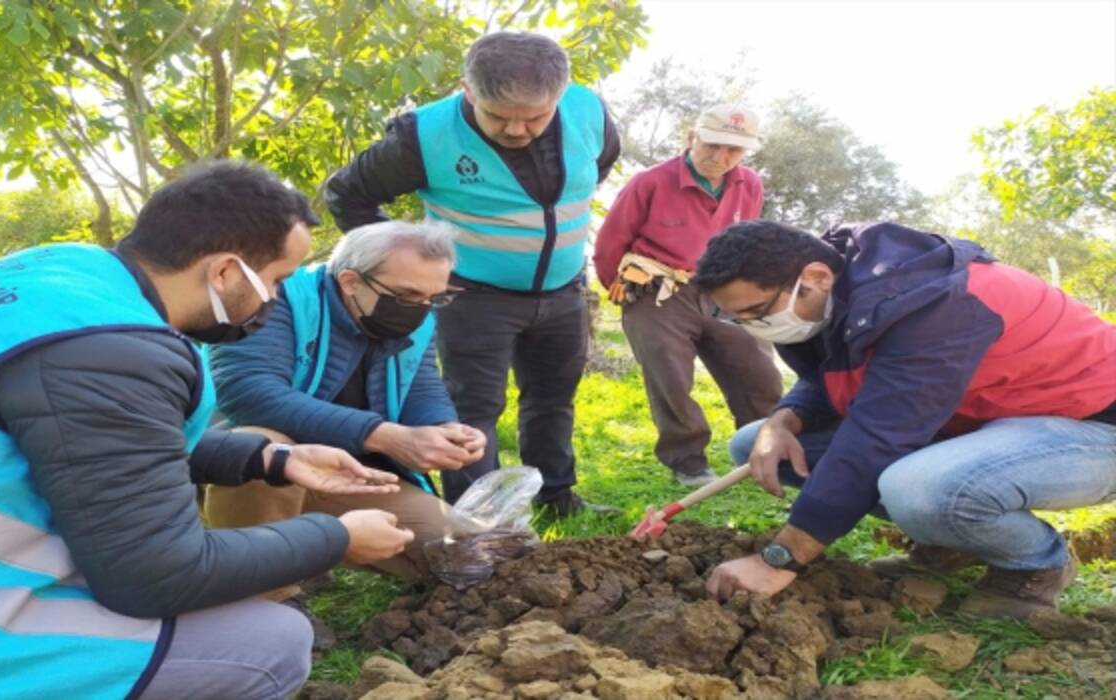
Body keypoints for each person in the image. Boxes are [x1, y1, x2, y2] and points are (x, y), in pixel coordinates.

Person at [0, 161, 418, 699]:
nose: (277, 298)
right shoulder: (111, 351)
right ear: (224, 270)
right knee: (269, 644)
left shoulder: (65, 278)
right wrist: (337, 538)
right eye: (277, 279)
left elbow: (86, 445)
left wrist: (268, 460)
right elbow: (153, 578)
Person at [695, 220, 1116, 619]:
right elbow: (832, 375)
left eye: (757, 311)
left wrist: (780, 559)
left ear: (817, 277)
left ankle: (1036, 565)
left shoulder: (935, 303)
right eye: (736, 318)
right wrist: (784, 419)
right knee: (756, 444)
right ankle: (954, 543)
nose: (751, 326)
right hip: (984, 419)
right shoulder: (838, 294)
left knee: (921, 489)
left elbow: (876, 438)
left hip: (1090, 422)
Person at [325, 31, 621, 514]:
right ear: (468, 88)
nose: (518, 131)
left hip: (564, 288)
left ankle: (557, 494)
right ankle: (479, 519)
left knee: (553, 399)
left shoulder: (588, 111)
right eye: (499, 116)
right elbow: (348, 194)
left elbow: (600, 164)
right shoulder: (423, 135)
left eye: (534, 118)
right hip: (473, 297)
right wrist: (408, 268)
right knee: (471, 412)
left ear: (560, 96)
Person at [205, 220, 485, 591]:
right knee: (261, 443)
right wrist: (383, 436)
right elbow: (248, 393)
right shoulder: (272, 299)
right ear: (351, 281)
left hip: (351, 468)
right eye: (407, 296)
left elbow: (420, 386)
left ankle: (310, 549)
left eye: (434, 299)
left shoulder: (416, 321)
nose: (421, 310)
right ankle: (270, 597)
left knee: (463, 557)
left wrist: (444, 428)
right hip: (236, 462)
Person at [593, 104, 782, 487]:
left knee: (759, 372)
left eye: (734, 151)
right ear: (691, 137)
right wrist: (617, 284)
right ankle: (688, 461)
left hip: (722, 287)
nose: (720, 158)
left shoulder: (750, 184)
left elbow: (746, 239)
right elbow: (611, 241)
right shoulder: (650, 181)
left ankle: (765, 448)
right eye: (712, 145)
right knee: (670, 374)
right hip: (657, 290)